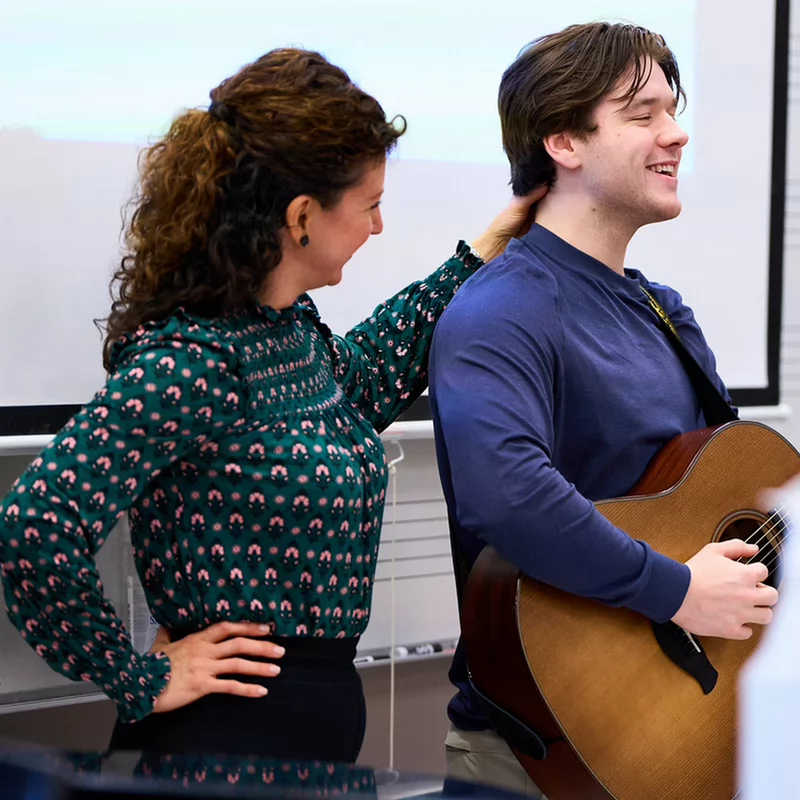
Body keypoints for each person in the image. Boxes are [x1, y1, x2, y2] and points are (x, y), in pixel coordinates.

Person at [0, 48, 543, 761]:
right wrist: (136, 678)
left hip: (306, 727)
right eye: (370, 205)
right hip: (222, 743)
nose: (379, 226)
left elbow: (364, 381)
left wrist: (482, 253)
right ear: (301, 216)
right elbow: (36, 524)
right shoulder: (193, 361)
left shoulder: (287, 330)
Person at [428, 22, 778, 796]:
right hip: (539, 758)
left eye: (673, 111)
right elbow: (508, 495)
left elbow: (717, 499)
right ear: (563, 142)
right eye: (643, 114)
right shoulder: (504, 309)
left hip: (668, 736)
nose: (676, 133)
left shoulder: (663, 310)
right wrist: (676, 590)